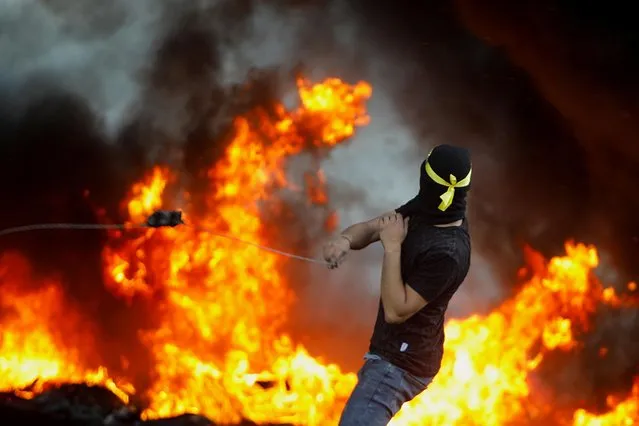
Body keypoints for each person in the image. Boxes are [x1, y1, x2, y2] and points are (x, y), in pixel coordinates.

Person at [323, 144, 472, 426]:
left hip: (402, 365)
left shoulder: (448, 254)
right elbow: (370, 229)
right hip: (390, 351)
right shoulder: (429, 208)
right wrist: (343, 241)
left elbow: (396, 310)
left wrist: (392, 248)